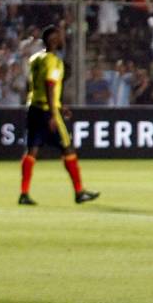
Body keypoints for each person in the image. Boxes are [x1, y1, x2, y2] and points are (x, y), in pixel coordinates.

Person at [18, 26, 99, 206]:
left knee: (31, 150)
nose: (62, 39)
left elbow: (33, 86)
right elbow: (49, 85)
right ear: (53, 40)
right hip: (47, 111)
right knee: (68, 149)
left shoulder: (35, 59)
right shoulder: (54, 61)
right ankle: (79, 192)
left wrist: (60, 106)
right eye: (59, 37)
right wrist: (55, 113)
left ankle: (24, 193)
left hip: (33, 108)